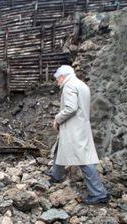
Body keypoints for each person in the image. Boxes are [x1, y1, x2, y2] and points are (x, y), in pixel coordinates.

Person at [46, 65, 110, 205]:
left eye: (57, 79)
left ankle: (99, 193)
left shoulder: (69, 86)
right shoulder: (82, 85)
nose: (57, 82)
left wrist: (57, 118)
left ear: (62, 76)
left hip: (73, 128)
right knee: (60, 148)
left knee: (84, 161)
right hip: (80, 126)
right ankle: (56, 175)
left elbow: (70, 108)